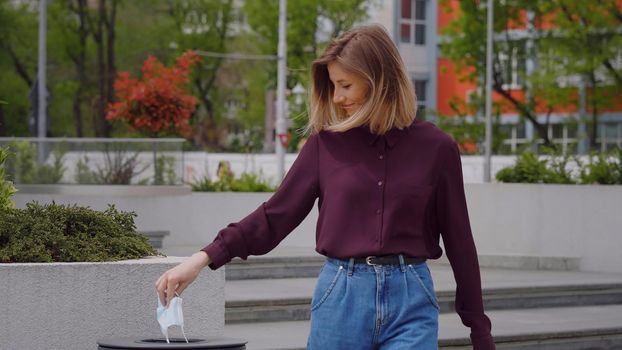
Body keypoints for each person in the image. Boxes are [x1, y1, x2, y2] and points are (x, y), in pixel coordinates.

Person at [156, 24, 495, 350]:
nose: (337, 97)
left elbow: (459, 239)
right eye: (333, 86)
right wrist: (201, 259)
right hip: (342, 296)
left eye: (345, 85)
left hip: (412, 298)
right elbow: (274, 217)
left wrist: (480, 331)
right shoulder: (325, 146)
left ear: (378, 80)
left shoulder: (437, 148)